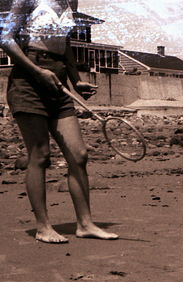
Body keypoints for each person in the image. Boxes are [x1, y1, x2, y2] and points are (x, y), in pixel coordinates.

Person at [0, 0, 118, 243]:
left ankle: (85, 224)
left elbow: (64, 45)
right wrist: (37, 71)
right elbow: (6, 38)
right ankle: (43, 227)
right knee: (40, 155)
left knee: (79, 155)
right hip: (27, 80)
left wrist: (76, 80)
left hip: (58, 80)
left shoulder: (69, 2)